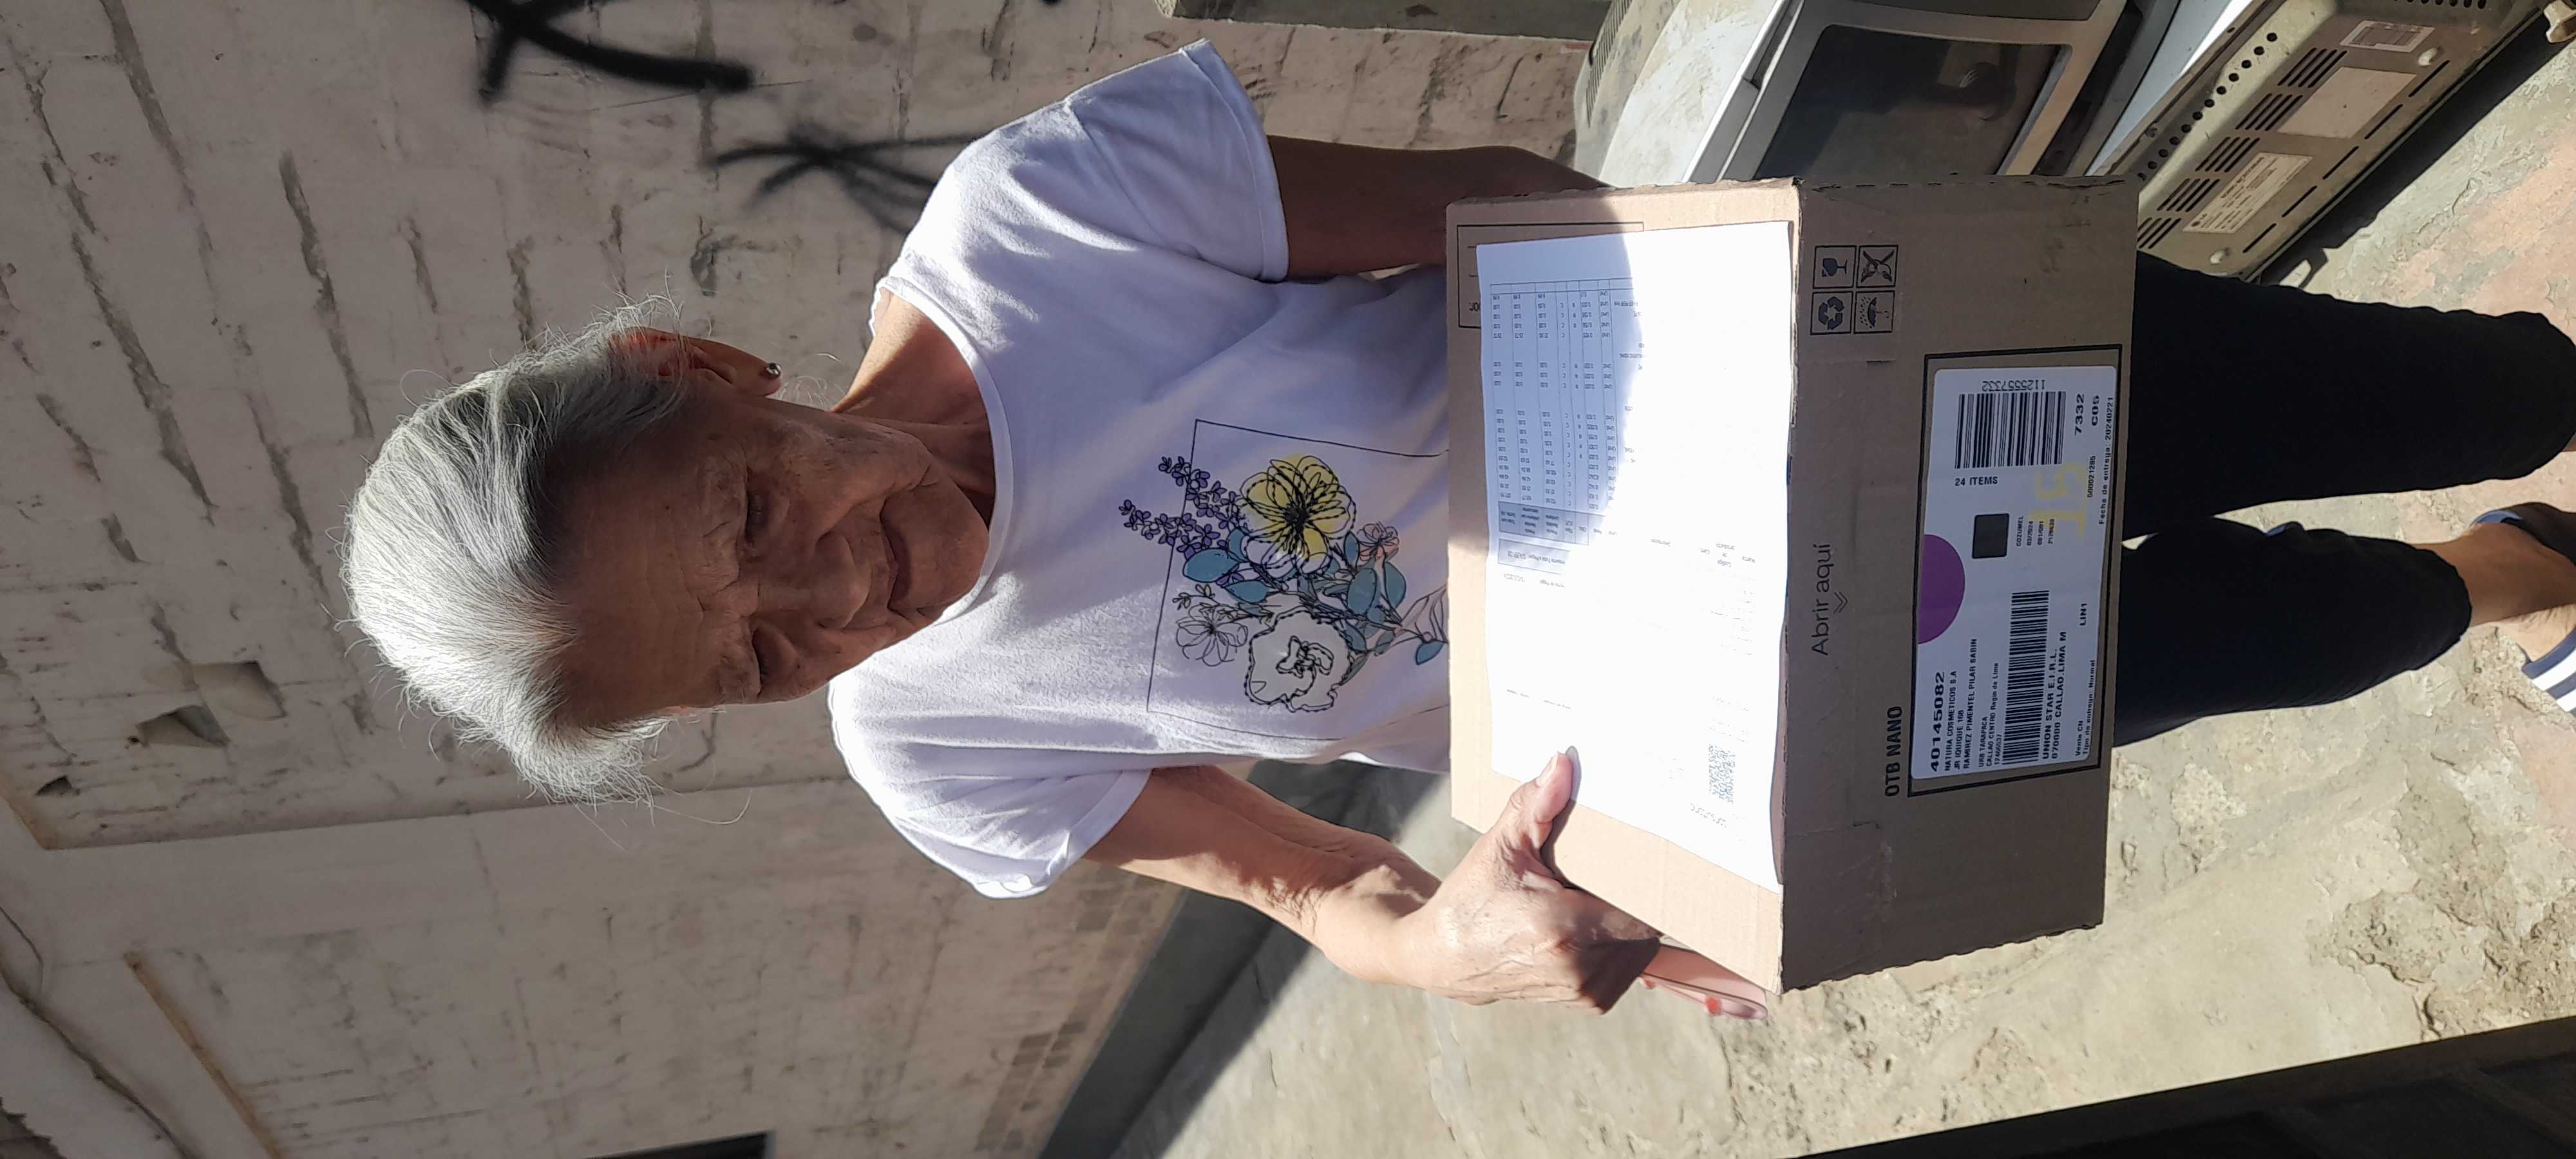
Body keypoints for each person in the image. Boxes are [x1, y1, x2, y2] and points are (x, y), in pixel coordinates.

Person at [343, 42, 2576, 1018]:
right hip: (1790, 706)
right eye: (755, 659)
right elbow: (1312, 885)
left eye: (754, 513)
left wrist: (1771, 365)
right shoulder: (943, 751)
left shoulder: (1047, 225)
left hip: (1869, 387)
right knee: (2306, 642)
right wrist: (1461, 947)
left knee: (2446, 392)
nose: (844, 595)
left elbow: (1533, 213)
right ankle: (2513, 579)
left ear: (704, 368)